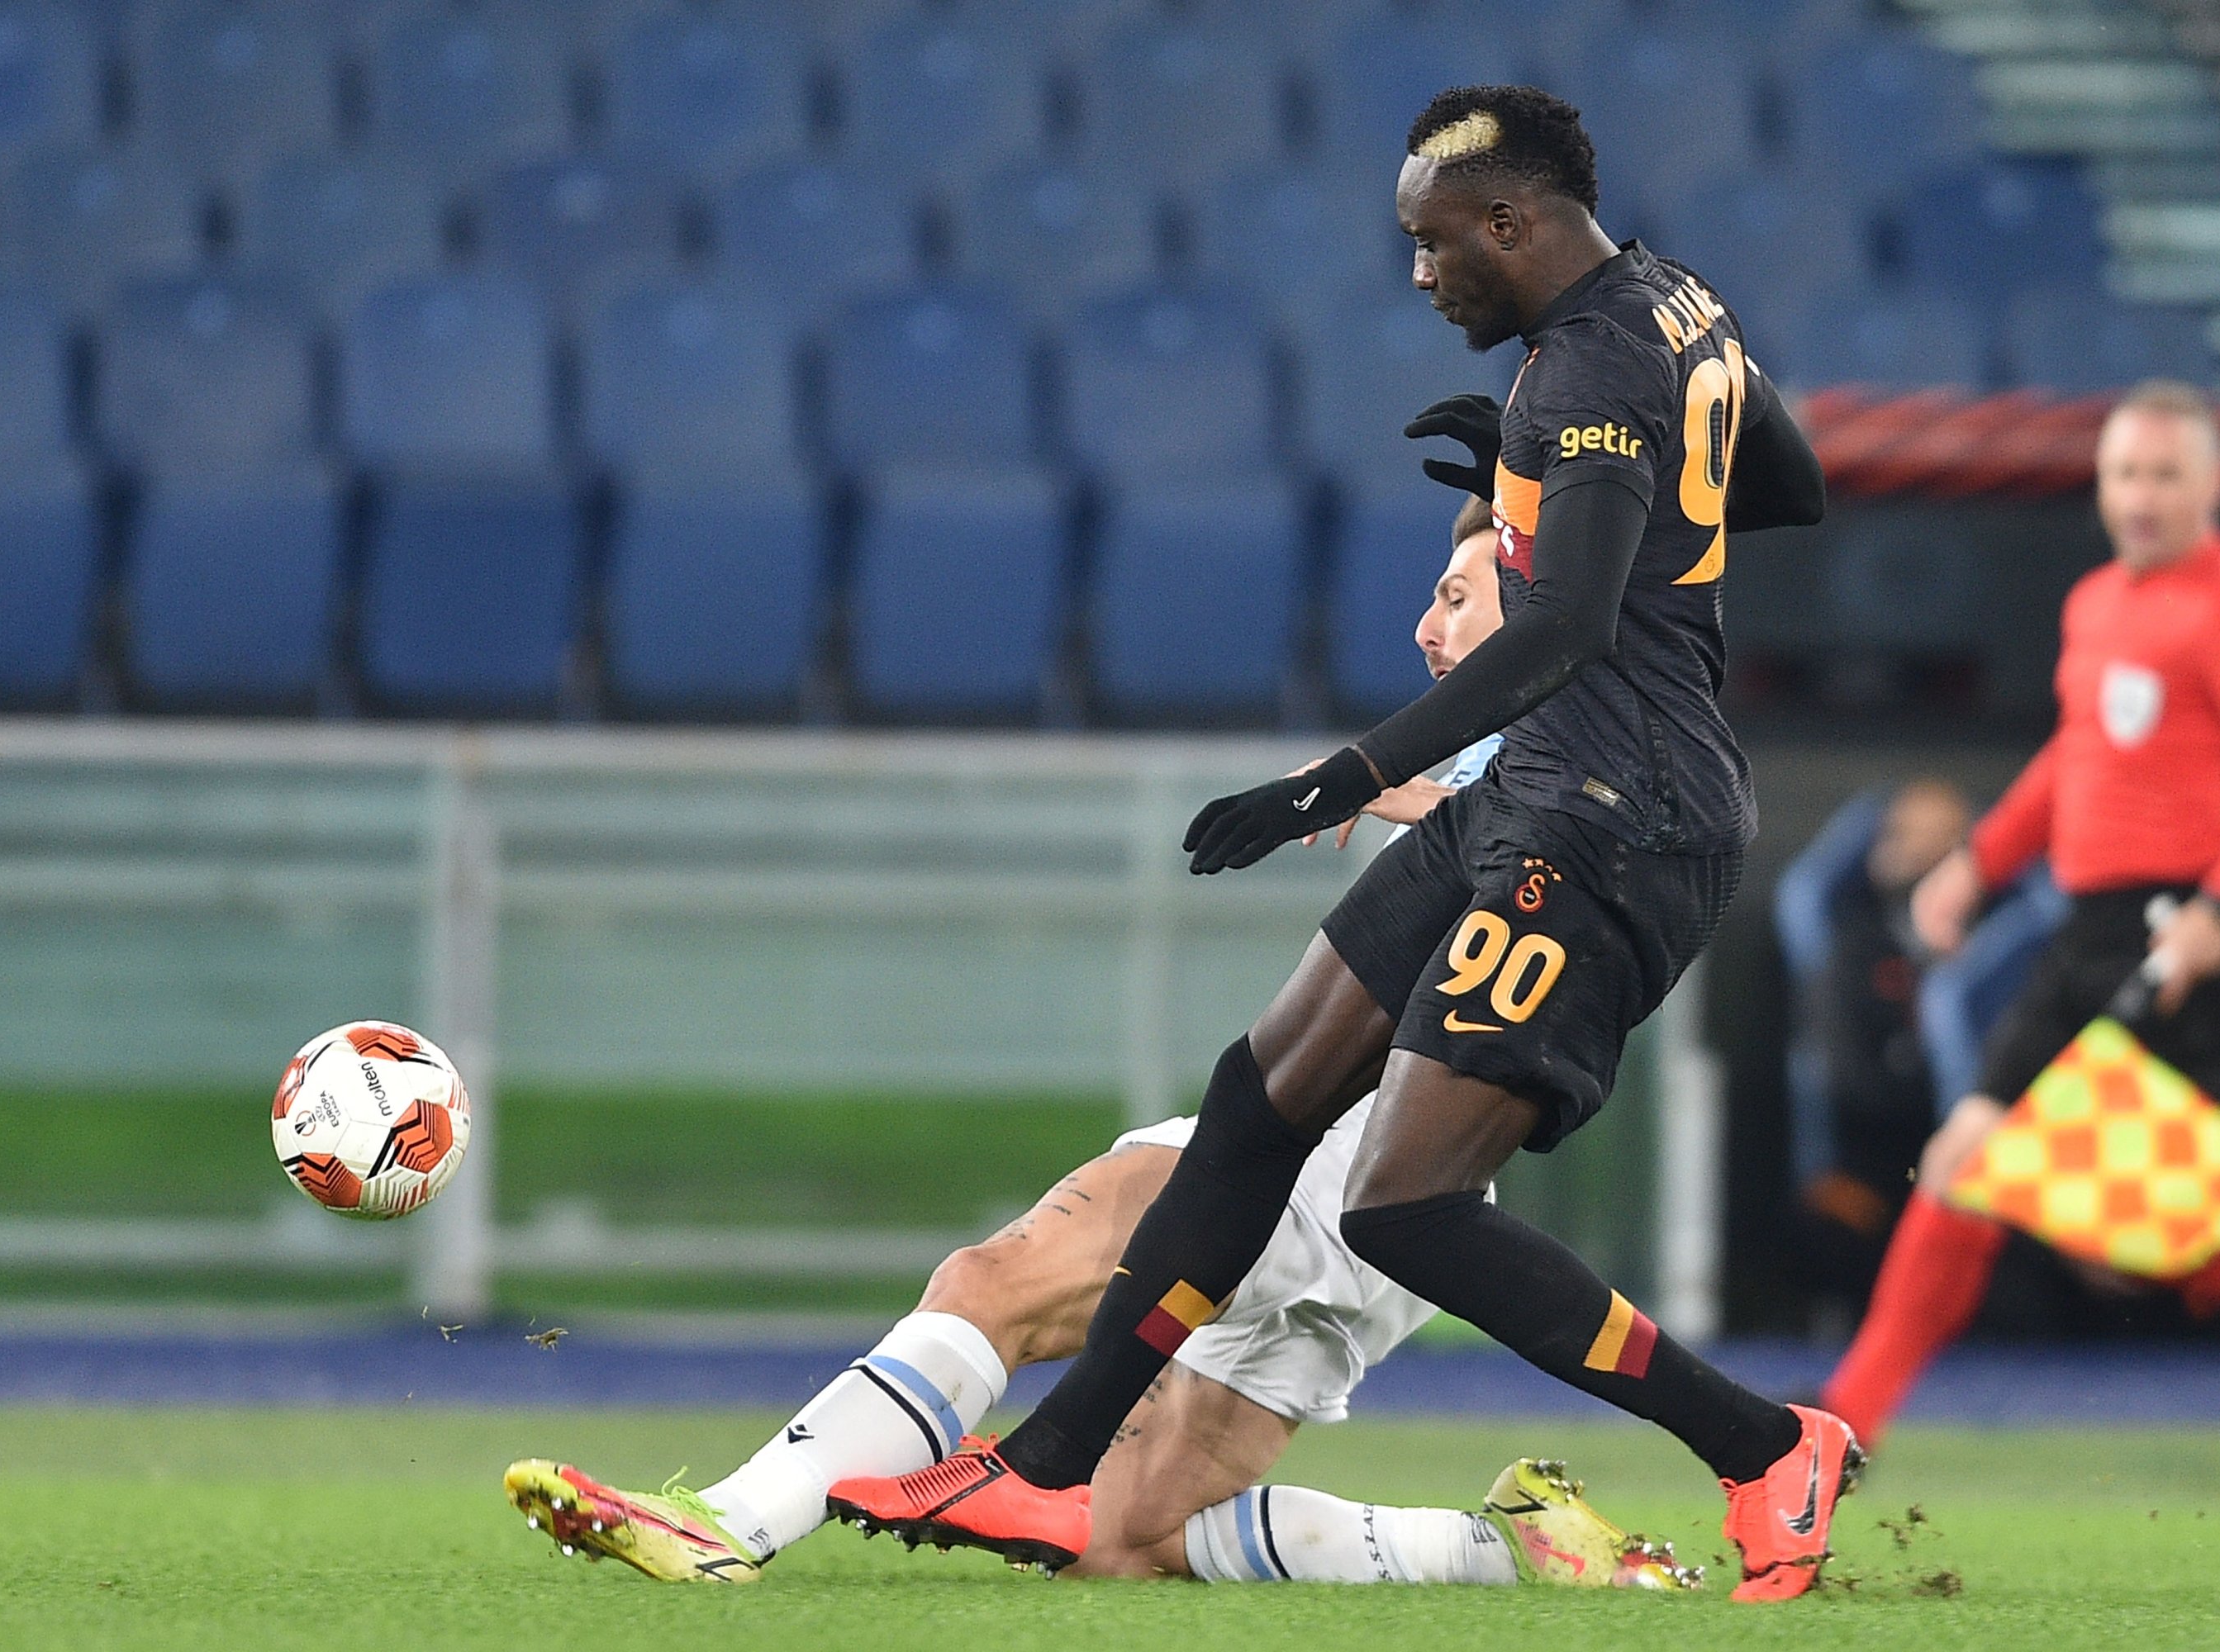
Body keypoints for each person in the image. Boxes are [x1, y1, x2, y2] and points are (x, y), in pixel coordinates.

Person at [833, 85, 1847, 1603]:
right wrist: (1548, 497)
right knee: (1260, 1100)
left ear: (1512, 224)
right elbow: (1785, 482)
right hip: (1546, 794)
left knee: (1406, 1209)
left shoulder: (1583, 361)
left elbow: (1565, 625)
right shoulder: (1674, 303)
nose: (1423, 275)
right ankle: (1048, 1472)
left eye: (1436, 245)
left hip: (1611, 814)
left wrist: (1339, 779)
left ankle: (1765, 1446)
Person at [504, 489, 1698, 1594]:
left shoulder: (1550, 752)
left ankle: (727, 1522)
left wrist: (1385, 791)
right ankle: (1517, 1554)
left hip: (1326, 1166)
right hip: (1396, 1222)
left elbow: (1568, 848)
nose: (1425, 626)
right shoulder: (1537, 752)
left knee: (996, 1283)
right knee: (1132, 1535)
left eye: (1454, 595)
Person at [1818, 380, 2220, 1448]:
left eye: (2165, 474)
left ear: (2214, 484)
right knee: (2090, 1210)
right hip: (2086, 933)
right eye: (2125, 473)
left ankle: (1843, 1423)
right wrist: (1978, 865)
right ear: (2099, 483)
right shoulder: (2097, 604)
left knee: (2011, 1168)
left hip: (2169, 941)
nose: (2142, 496)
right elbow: (2077, 761)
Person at [1795, 781, 1973, 1310]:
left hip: (1978, 1154)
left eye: (1931, 839)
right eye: (1897, 835)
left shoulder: (1996, 944)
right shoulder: (1851, 939)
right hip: (1876, 1151)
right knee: (1834, 1227)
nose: (1906, 850)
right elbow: (1846, 1076)